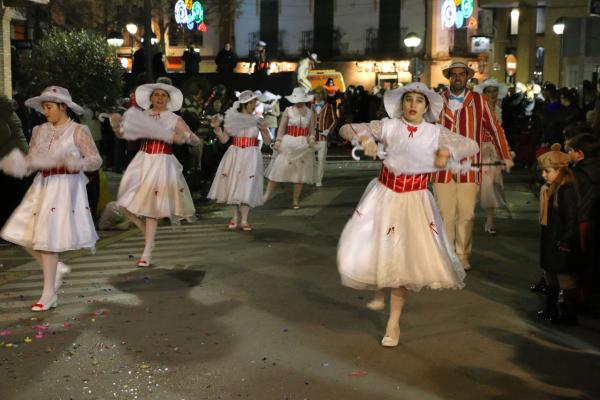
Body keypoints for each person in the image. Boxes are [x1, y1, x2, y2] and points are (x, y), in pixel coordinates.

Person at [337, 82, 478, 346]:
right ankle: (380, 289)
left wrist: (447, 151)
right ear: (401, 103)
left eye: (419, 101)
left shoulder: (435, 132)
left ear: (426, 107)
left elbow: (470, 145)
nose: (413, 105)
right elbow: (347, 128)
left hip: (415, 202)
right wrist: (365, 139)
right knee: (380, 247)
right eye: (409, 99)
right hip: (385, 196)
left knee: (403, 261)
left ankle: (393, 324)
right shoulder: (388, 126)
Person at [1, 86, 102, 311]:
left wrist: (79, 163)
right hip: (42, 185)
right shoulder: (38, 130)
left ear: (63, 107)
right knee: (16, 232)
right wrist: (19, 164)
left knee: (47, 242)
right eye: (44, 107)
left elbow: (95, 160)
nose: (45, 111)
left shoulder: (78, 130)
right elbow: (33, 158)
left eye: (49, 107)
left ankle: (48, 294)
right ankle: (56, 273)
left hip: (65, 187)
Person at [431, 60, 513, 270]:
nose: (457, 78)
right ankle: (447, 254)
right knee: (445, 214)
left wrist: (504, 154)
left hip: (470, 166)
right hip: (443, 168)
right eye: (454, 74)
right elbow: (425, 133)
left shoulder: (480, 100)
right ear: (449, 77)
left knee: (466, 214)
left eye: (461, 74)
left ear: (468, 77)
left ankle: (462, 254)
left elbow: (495, 129)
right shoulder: (436, 101)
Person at [115, 83, 201, 267]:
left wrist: (187, 137)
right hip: (142, 160)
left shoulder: (173, 118)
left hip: (162, 162)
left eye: (163, 95)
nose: (160, 98)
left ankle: (147, 251)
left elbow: (193, 140)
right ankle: (145, 230)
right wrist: (117, 126)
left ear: (168, 99)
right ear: (151, 98)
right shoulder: (143, 115)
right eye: (156, 95)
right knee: (123, 202)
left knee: (151, 209)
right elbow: (126, 134)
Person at [207, 91, 271, 230]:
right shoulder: (233, 119)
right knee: (235, 184)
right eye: (252, 103)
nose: (254, 106)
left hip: (251, 155)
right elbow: (224, 139)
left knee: (247, 185)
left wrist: (265, 130)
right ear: (244, 104)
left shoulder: (258, 120)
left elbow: (267, 141)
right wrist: (217, 128)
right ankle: (235, 217)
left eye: (255, 103)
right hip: (235, 153)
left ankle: (245, 220)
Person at [536, 144, 580, 325]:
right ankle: (551, 309)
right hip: (551, 240)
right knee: (551, 276)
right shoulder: (551, 189)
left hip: (561, 242)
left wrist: (565, 242)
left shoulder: (565, 190)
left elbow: (571, 220)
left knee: (564, 278)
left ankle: (569, 314)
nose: (543, 175)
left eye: (547, 171)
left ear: (559, 171)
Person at [263, 87, 316, 208]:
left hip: (303, 144)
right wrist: (278, 140)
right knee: (279, 168)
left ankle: (295, 200)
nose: (299, 102)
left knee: (299, 174)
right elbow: (281, 128)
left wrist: (312, 138)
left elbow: (312, 130)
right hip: (289, 143)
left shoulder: (309, 112)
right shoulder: (288, 110)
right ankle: (267, 195)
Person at [565, 133, 600, 307]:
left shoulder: (575, 173)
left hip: (580, 221)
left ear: (580, 154)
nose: (568, 153)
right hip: (593, 219)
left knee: (577, 262)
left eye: (570, 150)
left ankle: (578, 299)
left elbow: (570, 201)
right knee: (591, 262)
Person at [474, 79, 509, 234]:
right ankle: (464, 218)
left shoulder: (499, 108)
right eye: (489, 91)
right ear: (483, 93)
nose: (492, 94)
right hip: (478, 150)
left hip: (493, 152)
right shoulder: (477, 109)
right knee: (473, 185)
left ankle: (489, 221)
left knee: (490, 186)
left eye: (495, 91)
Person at [312, 86, 336, 187]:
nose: (317, 95)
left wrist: (328, 130)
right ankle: (313, 178)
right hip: (311, 137)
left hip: (322, 137)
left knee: (321, 159)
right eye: (316, 93)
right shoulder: (310, 106)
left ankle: (318, 180)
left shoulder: (328, 106)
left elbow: (334, 120)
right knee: (311, 159)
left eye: (319, 93)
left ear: (323, 95)